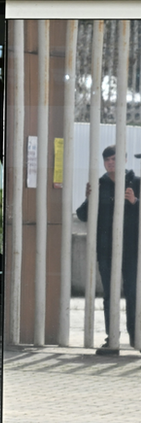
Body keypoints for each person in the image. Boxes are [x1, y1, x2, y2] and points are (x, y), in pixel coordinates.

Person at [76, 145, 139, 349]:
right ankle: (112, 337)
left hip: (130, 249)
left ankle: (135, 335)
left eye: (114, 159)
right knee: (109, 295)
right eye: (107, 160)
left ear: (124, 160)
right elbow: (83, 215)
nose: (110, 163)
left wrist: (135, 201)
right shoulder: (99, 185)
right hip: (105, 249)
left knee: (132, 292)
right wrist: (88, 198)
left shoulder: (136, 183)